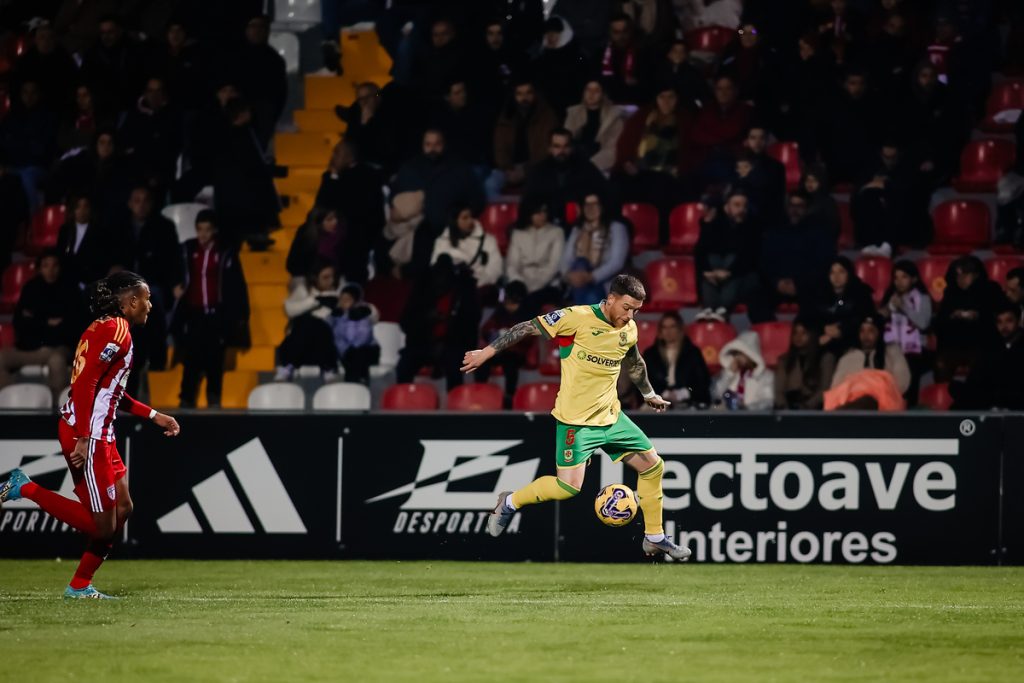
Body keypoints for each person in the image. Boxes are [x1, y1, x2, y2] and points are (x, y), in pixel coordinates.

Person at [461, 274, 691, 561]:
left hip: (611, 416)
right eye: (627, 308)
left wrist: (648, 394)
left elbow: (634, 362)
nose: (631, 315)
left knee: (653, 466)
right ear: (611, 300)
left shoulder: (628, 329)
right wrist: (487, 352)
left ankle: (654, 537)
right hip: (576, 422)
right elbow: (526, 327)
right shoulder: (576, 317)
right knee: (567, 487)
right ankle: (508, 502)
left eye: (636, 310)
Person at [0, 271, 181, 599]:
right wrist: (84, 436)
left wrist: (154, 415)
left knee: (123, 507)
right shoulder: (116, 331)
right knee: (102, 526)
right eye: (147, 299)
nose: (151, 305)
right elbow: (84, 386)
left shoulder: (107, 327)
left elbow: (110, 391)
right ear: (130, 302)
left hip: (100, 433)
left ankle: (80, 585)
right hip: (88, 434)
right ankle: (23, 486)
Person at [173, 210, 250, 408]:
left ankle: (214, 401)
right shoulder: (187, 250)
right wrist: (176, 287)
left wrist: (240, 315)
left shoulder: (224, 252)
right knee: (191, 360)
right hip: (193, 314)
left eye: (207, 230)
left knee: (215, 360)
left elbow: (236, 283)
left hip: (217, 315)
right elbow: (174, 272)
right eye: (200, 229)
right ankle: (186, 400)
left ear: (214, 230)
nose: (203, 234)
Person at [0, 250, 82, 400]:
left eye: (54, 265)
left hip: (58, 348)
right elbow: (20, 323)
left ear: (60, 267)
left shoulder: (70, 290)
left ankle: (57, 410)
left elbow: (70, 327)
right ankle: (11, 400)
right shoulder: (31, 288)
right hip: (31, 349)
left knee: (57, 362)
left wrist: (36, 321)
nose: (50, 270)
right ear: (39, 268)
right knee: (2, 358)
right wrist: (47, 323)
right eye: (46, 266)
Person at [396, 255, 480, 390]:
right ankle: (403, 399)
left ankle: (454, 404)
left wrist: (450, 326)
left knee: (454, 365)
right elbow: (406, 322)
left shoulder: (463, 293)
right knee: (404, 364)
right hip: (423, 343)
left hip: (453, 344)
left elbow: (470, 324)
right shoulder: (421, 292)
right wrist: (427, 319)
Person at [933, 256, 1004, 381]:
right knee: (941, 364)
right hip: (953, 345)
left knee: (981, 363)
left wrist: (978, 316)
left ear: (976, 275)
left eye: (965, 275)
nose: (960, 280)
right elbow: (939, 323)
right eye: (958, 275)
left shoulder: (990, 289)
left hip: (981, 344)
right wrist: (952, 316)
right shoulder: (951, 292)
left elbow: (999, 318)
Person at [522, 128, 610, 226]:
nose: (561, 151)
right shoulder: (538, 171)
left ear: (571, 148)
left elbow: (604, 193)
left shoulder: (586, 168)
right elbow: (529, 202)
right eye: (557, 146)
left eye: (566, 146)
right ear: (550, 148)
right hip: (548, 225)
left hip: (581, 225)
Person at [694, 190, 759, 320]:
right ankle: (710, 308)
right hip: (716, 274)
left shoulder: (752, 227)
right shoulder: (716, 225)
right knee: (713, 259)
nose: (741, 209)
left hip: (739, 277)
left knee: (732, 261)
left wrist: (728, 273)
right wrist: (708, 272)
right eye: (737, 205)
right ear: (726, 207)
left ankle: (722, 309)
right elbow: (701, 250)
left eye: (744, 206)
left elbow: (748, 257)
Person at [274, 263, 343, 382]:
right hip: (302, 348)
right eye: (326, 277)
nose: (330, 281)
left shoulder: (340, 292)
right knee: (306, 322)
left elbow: (364, 310)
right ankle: (289, 366)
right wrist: (315, 302)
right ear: (315, 278)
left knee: (319, 325)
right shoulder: (304, 291)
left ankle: (327, 367)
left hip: (327, 345)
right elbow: (289, 309)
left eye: (332, 277)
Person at [491, 78, 558, 196]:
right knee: (490, 185)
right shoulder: (507, 115)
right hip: (509, 168)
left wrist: (525, 170)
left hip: (536, 167)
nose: (524, 98)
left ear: (535, 94)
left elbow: (547, 150)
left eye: (528, 93)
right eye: (520, 94)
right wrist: (506, 168)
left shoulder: (546, 116)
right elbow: (499, 146)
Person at [560, 193, 629, 304]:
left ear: (602, 206)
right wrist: (569, 276)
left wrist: (591, 277)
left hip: (604, 281)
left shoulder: (616, 228)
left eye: (594, 204)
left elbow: (617, 262)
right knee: (580, 262)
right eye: (587, 205)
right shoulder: (577, 229)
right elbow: (566, 259)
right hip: (576, 280)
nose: (590, 208)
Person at [879, 260, 932, 405]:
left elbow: (923, 323)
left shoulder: (923, 299)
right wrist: (889, 308)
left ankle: (910, 407)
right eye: (896, 278)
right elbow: (877, 321)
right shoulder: (890, 297)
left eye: (904, 277)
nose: (899, 282)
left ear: (914, 279)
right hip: (891, 347)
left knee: (910, 367)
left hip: (916, 349)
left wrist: (904, 308)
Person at [952, 303, 1024, 410]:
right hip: (990, 401)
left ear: (1018, 322)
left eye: (1009, 321)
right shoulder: (991, 347)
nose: (1003, 326)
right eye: (999, 322)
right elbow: (977, 379)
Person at [475, 281, 532, 407]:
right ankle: (479, 392)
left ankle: (509, 397)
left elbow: (528, 338)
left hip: (516, 352)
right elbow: (486, 329)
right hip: (498, 350)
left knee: (510, 364)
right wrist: (495, 332)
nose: (509, 305)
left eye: (513, 302)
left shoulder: (527, 315)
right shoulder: (500, 312)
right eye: (508, 301)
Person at [804, 256, 876, 355]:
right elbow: (809, 316)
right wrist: (823, 328)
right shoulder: (819, 293)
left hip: (852, 342)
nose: (836, 277)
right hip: (824, 342)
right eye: (832, 272)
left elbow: (865, 318)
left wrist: (842, 330)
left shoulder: (861, 292)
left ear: (849, 274)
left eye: (841, 272)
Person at [641, 311, 712, 408]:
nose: (668, 331)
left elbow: (703, 381)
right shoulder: (650, 354)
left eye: (672, 327)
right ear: (660, 331)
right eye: (664, 327)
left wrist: (685, 393)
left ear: (680, 329)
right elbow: (644, 382)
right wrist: (662, 393)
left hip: (689, 402)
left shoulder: (692, 353)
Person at [505, 201, 565, 313]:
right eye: (538, 212)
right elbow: (512, 265)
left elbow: (554, 266)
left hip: (548, 284)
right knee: (513, 296)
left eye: (544, 212)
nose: (542, 216)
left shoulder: (557, 232)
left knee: (529, 302)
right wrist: (520, 284)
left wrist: (534, 286)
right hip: (521, 283)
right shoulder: (518, 233)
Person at [831, 315, 911, 395]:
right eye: (862, 331)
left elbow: (902, 381)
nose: (866, 335)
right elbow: (835, 387)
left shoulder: (892, 351)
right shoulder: (849, 357)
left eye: (871, 331)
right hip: (854, 400)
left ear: (879, 332)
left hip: (885, 398)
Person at [430, 205, 504, 288]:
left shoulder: (488, 241)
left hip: (477, 288)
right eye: (465, 218)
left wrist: (477, 282)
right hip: (448, 289)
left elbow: (495, 270)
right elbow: (435, 267)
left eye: (471, 217)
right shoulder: (442, 241)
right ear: (454, 221)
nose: (470, 221)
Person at [774, 319, 836, 410]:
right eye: (795, 333)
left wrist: (806, 407)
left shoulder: (825, 358)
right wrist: (785, 409)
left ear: (812, 335)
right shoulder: (784, 360)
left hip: (814, 408)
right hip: (788, 407)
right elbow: (778, 390)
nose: (798, 337)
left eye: (804, 333)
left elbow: (825, 390)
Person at [330, 283, 380, 385]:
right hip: (345, 351)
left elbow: (364, 337)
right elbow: (334, 336)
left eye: (347, 299)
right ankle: (352, 385)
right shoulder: (335, 316)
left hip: (366, 350)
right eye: (341, 299)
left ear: (355, 301)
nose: (343, 302)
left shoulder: (362, 316)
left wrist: (350, 318)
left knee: (357, 355)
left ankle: (358, 384)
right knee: (351, 356)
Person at [712, 331, 775, 410]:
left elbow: (768, 401)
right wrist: (729, 374)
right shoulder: (729, 374)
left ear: (751, 354)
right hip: (728, 419)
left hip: (754, 419)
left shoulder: (767, 376)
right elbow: (714, 394)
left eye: (740, 353)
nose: (737, 357)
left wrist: (746, 409)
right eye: (735, 353)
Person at [286, 207, 345, 289]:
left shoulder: (340, 236)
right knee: (298, 282)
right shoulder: (306, 236)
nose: (335, 222)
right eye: (329, 220)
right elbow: (292, 265)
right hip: (309, 279)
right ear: (319, 223)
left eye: (335, 218)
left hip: (333, 279)